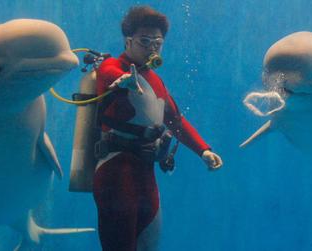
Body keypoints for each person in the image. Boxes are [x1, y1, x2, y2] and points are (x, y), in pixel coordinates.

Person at [92, 5, 223, 251]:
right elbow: (108, 74)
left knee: (150, 244)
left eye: (158, 42)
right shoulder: (111, 67)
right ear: (128, 41)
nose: (152, 47)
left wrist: (203, 151)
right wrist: (122, 81)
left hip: (145, 173)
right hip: (115, 173)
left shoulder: (156, 80)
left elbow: (176, 121)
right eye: (145, 41)